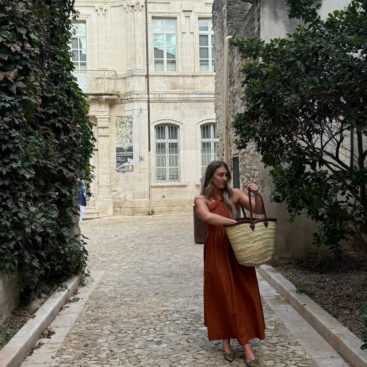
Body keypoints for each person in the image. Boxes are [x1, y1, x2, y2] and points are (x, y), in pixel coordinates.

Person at [194, 160, 265, 366]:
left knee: (244, 293)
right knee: (223, 294)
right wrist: (235, 223)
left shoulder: (234, 194)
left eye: (226, 175)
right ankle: (237, 345)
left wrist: (257, 194)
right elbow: (207, 217)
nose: (224, 178)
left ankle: (238, 343)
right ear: (211, 177)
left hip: (238, 249)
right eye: (220, 175)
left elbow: (257, 210)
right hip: (216, 251)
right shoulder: (201, 199)